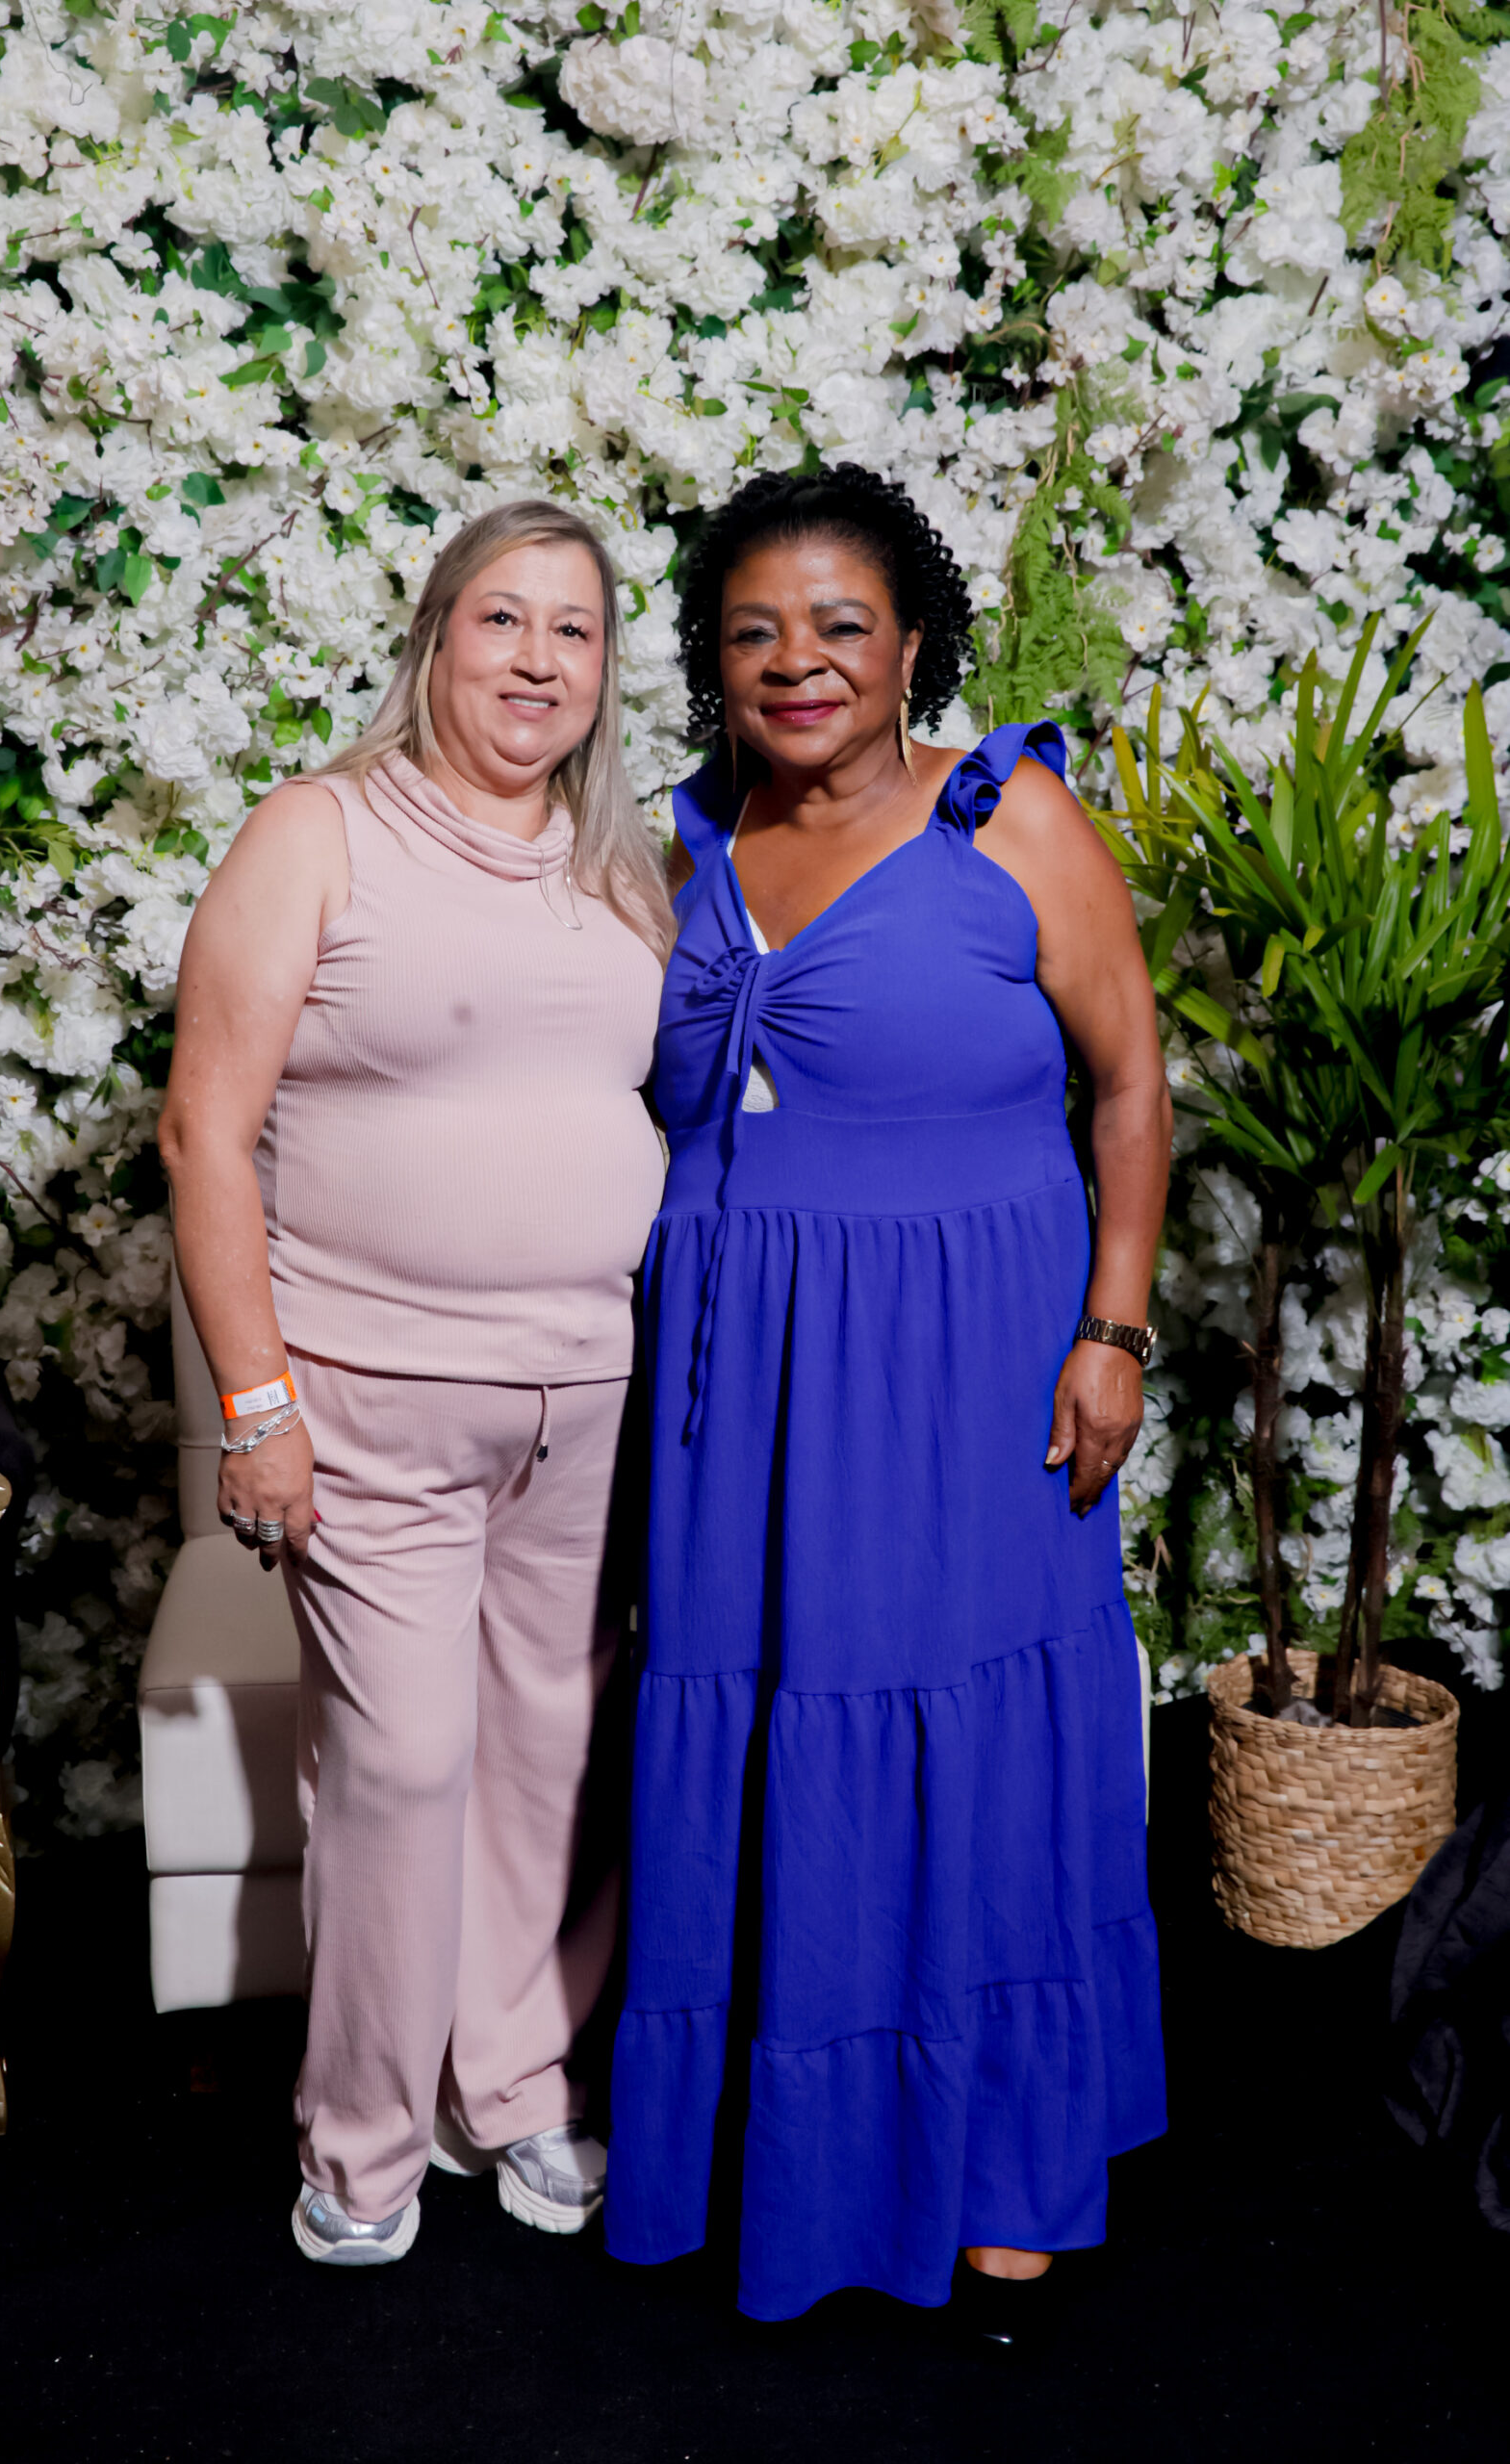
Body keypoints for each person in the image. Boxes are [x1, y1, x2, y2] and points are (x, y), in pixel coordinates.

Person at [603, 465, 1171, 2340]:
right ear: (714, 663)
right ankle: (777, 2154)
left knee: (966, 1727)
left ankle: (1000, 2157)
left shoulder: (1012, 818)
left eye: (840, 625)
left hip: (964, 1366)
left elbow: (1129, 1085)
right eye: (755, 630)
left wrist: (1113, 1330)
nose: (799, 661)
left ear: (912, 641)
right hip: (741, 1386)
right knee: (769, 1724)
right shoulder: (682, 847)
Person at [159, 500, 671, 2267]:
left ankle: (511, 2086)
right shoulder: (318, 832)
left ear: (604, 674)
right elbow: (203, 1133)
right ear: (435, 636)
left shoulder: (626, 871)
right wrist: (259, 1408)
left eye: (574, 631)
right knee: (401, 1765)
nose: (537, 660)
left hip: (586, 1398)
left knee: (553, 1755)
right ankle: (362, 2143)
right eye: (502, 619)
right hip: (370, 1398)